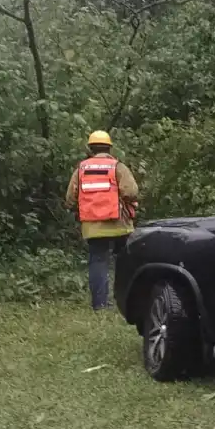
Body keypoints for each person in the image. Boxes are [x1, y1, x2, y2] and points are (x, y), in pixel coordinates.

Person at [65, 130, 139, 311]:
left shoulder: (81, 170)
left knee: (98, 262)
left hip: (93, 226)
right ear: (109, 148)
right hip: (119, 225)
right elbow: (131, 191)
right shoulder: (117, 167)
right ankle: (126, 300)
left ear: (90, 148)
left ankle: (100, 304)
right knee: (124, 261)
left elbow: (70, 198)